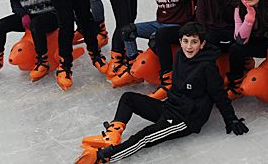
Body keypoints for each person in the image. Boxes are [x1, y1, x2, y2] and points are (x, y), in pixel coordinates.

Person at [74, 22, 249, 164]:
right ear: (180, 41)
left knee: (144, 136)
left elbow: (219, 95)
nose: (189, 46)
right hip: (169, 107)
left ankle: (105, 157)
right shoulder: (181, 56)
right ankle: (112, 135)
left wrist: (231, 119)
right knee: (129, 98)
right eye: (186, 41)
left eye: (194, 42)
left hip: (185, 119)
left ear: (202, 44)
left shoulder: (207, 67)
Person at [121, 0, 197, 100]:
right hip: (160, 23)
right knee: (127, 31)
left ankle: (167, 78)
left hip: (177, 26)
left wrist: (193, 21)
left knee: (157, 39)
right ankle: (133, 65)